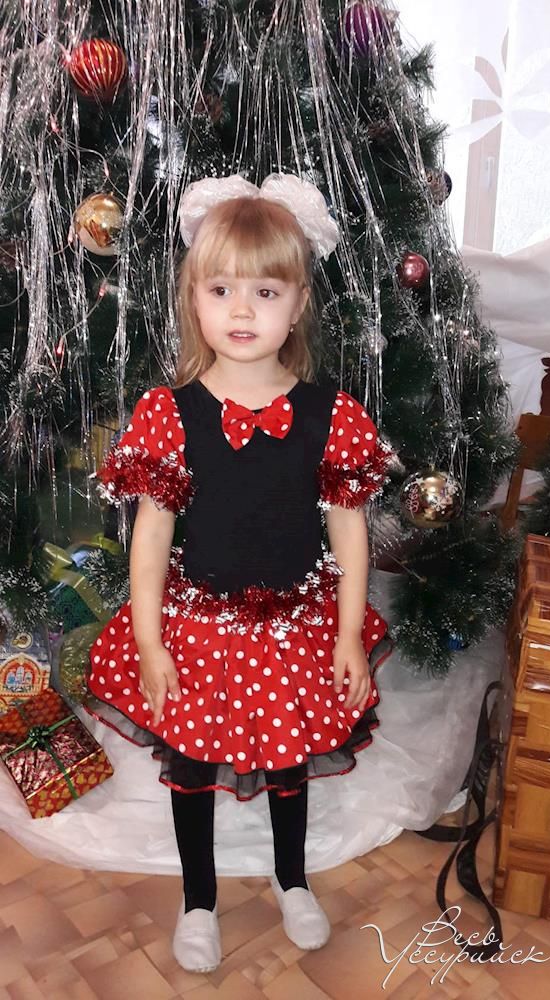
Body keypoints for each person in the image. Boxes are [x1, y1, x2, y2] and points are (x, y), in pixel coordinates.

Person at [85, 172, 394, 974]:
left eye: (266, 291)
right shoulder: (169, 412)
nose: (244, 310)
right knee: (191, 762)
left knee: (289, 760)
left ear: (298, 303)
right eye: (222, 289)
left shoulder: (332, 414)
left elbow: (349, 533)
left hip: (296, 624)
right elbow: (151, 540)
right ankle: (198, 899)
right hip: (199, 628)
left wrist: (349, 636)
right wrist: (150, 643)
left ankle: (292, 880)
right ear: (194, 299)